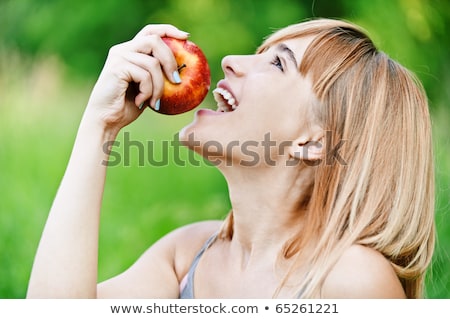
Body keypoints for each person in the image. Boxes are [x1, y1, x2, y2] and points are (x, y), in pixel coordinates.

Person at [26, 18, 435, 299]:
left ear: (315, 141)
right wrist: (101, 124)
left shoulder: (352, 280)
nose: (230, 61)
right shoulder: (187, 256)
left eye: (277, 63)